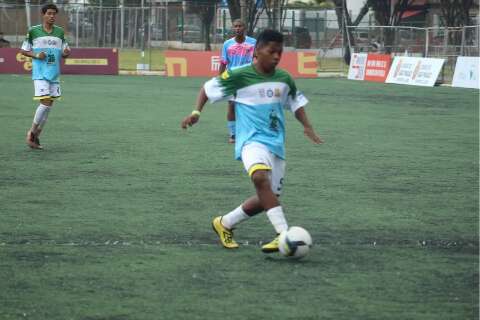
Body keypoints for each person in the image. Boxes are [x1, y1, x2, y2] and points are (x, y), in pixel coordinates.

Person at [181, 29, 323, 253]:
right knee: (259, 177)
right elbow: (207, 89)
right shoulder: (239, 75)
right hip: (250, 141)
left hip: (276, 143)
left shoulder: (284, 78)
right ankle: (283, 234)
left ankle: (224, 223)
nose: (277, 56)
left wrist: (307, 126)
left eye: (280, 52)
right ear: (258, 51)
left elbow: (295, 103)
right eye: (272, 51)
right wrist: (196, 112)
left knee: (268, 197)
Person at [20, 3, 70, 149]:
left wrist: (66, 53)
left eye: (54, 13)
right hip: (40, 73)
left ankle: (36, 137)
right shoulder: (33, 31)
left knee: (49, 105)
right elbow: (23, 51)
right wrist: (36, 55)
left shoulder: (60, 32)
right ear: (43, 15)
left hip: (54, 74)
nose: (52, 16)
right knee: (46, 102)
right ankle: (31, 132)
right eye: (49, 13)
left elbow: (65, 51)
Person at [219, 19, 256, 144]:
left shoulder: (253, 43)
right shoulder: (227, 44)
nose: (238, 28)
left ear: (244, 28)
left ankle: (249, 132)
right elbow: (223, 63)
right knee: (231, 106)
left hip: (248, 79)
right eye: (235, 26)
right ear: (233, 28)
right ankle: (233, 134)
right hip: (232, 79)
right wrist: (221, 80)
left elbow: (258, 60)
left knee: (249, 106)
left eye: (240, 26)